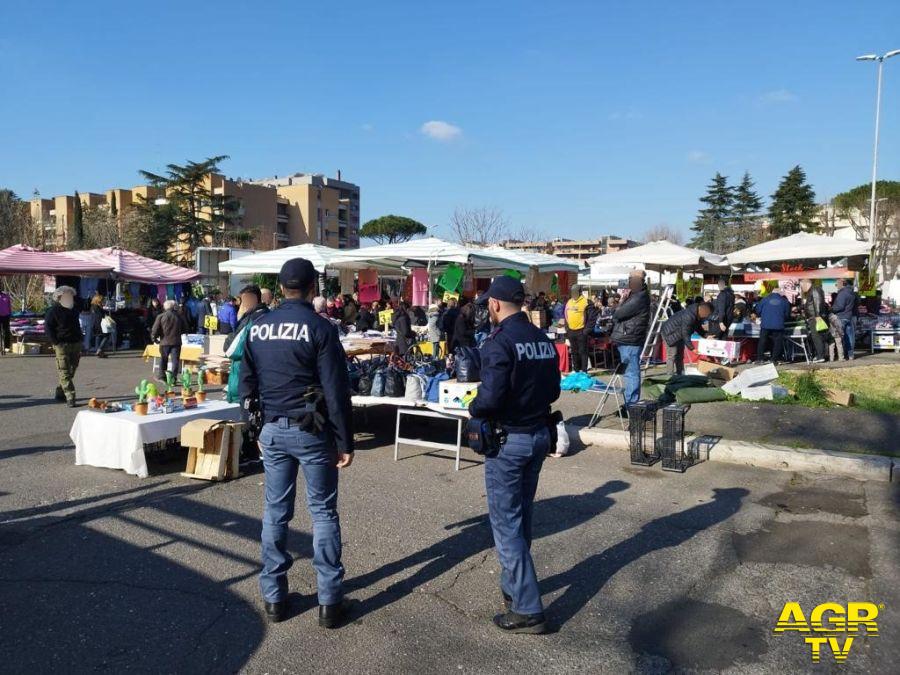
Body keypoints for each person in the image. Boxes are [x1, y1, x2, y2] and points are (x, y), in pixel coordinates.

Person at [238, 257, 354, 628]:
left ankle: (273, 596)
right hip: (312, 429)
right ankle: (330, 602)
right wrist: (344, 440)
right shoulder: (320, 328)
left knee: (275, 511)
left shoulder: (258, 326)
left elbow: (245, 383)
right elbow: (336, 390)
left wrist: (254, 428)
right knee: (322, 512)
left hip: (272, 428)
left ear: (282, 287)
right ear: (312, 288)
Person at [468, 276, 561, 634]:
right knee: (522, 517)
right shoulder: (541, 339)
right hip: (538, 434)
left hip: (510, 441)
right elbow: (553, 388)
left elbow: (489, 399)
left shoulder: (499, 342)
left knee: (506, 524)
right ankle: (515, 587)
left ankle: (527, 608)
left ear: (494, 304)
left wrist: (475, 406)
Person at [610, 270, 650, 415]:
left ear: (640, 281)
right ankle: (629, 404)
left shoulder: (639, 297)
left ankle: (632, 407)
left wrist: (620, 302)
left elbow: (618, 313)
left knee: (631, 373)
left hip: (630, 339)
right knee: (629, 373)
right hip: (629, 338)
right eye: (629, 279)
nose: (630, 282)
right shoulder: (635, 295)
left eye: (633, 279)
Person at [45, 286, 83, 407]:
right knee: (64, 371)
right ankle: (70, 396)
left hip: (75, 343)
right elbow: (48, 328)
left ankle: (60, 391)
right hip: (62, 344)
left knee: (72, 370)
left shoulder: (74, 309)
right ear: (59, 297)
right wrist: (55, 342)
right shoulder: (53, 311)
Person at [661, 302, 713, 376]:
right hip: (669, 332)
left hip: (679, 334)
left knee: (680, 355)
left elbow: (698, 328)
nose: (707, 316)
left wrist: (706, 336)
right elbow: (686, 333)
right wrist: (692, 348)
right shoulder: (689, 316)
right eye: (707, 314)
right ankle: (670, 376)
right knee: (672, 355)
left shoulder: (697, 315)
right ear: (702, 310)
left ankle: (680, 373)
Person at [151, 299, 188, 379]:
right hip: (176, 342)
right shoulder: (179, 316)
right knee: (175, 360)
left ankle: (162, 376)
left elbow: (155, 329)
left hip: (164, 341)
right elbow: (185, 328)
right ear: (174, 306)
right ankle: (173, 378)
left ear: (165, 307)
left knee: (163, 359)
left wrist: (154, 339)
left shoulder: (161, 316)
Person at [755, 289, 791, 363]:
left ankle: (760, 359)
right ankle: (774, 359)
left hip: (765, 324)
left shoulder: (764, 299)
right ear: (780, 293)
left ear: (772, 292)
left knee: (762, 341)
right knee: (777, 342)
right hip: (778, 325)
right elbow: (787, 315)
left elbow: (757, 310)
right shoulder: (784, 301)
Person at [800, 279, 827, 363]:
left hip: (815, 317)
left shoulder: (815, 289)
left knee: (817, 337)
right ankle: (819, 355)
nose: (801, 288)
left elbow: (817, 302)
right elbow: (810, 304)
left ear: (806, 284)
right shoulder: (811, 291)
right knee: (815, 337)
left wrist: (818, 315)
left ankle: (820, 356)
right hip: (813, 317)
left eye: (801, 286)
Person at [831, 278, 858, 360]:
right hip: (849, 316)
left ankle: (841, 356)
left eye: (837, 284)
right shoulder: (852, 292)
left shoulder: (843, 293)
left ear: (842, 283)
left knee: (839, 338)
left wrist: (831, 309)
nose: (836, 286)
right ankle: (850, 355)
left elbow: (839, 306)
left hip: (841, 317)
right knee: (849, 337)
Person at [564, 284, 589, 372]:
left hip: (581, 331)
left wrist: (585, 330)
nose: (573, 294)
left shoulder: (585, 302)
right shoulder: (569, 302)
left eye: (575, 292)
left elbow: (590, 317)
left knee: (583, 352)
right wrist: (567, 329)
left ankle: (584, 371)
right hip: (571, 331)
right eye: (572, 292)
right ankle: (576, 370)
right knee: (574, 352)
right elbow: (566, 315)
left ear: (580, 292)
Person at [0, 286, 13, 352]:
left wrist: (10, 313)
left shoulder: (6, 296)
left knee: (6, 331)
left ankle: (6, 346)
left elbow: (9, 306)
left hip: (6, 316)